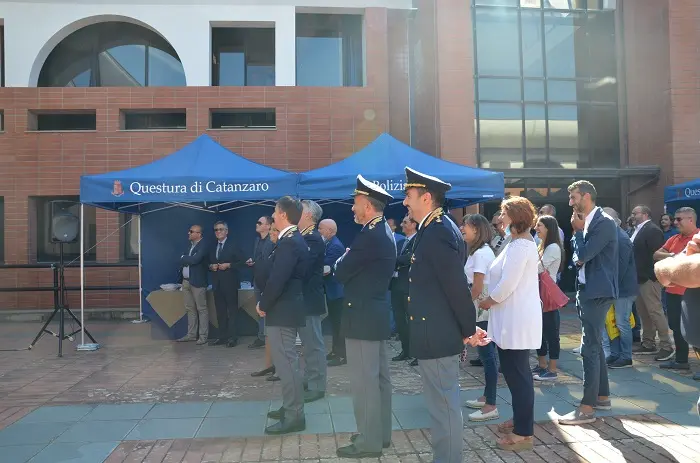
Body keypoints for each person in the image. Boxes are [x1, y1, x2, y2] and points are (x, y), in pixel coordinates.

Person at [403, 167, 484, 461]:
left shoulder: (437, 232)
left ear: (426, 197)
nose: (405, 202)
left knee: (444, 407)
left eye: (409, 196)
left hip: (437, 333)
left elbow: (455, 288)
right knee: (440, 406)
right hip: (433, 331)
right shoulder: (434, 229)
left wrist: (468, 329)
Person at [334, 175, 396, 459]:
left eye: (356, 203)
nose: (352, 209)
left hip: (362, 317)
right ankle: (380, 435)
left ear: (369, 207)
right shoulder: (381, 231)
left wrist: (342, 258)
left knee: (365, 383)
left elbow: (341, 270)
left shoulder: (370, 235)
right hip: (374, 315)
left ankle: (368, 442)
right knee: (379, 380)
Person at [478, 196, 540, 451]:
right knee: (515, 374)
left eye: (503, 213)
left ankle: (523, 433)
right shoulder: (516, 243)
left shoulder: (519, 247)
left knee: (518, 375)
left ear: (514, 216)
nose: (499, 218)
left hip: (516, 319)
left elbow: (506, 285)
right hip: (511, 318)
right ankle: (521, 419)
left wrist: (487, 301)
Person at [559, 180, 617, 426]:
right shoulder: (586, 222)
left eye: (573, 197)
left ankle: (586, 408)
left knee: (589, 347)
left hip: (597, 292)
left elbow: (582, 256)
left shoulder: (603, 223)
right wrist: (578, 234)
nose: (570, 202)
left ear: (586, 196)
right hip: (588, 290)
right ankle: (602, 396)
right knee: (593, 343)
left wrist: (579, 232)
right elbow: (578, 257)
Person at [257, 197, 309, 435]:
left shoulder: (289, 242)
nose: (273, 216)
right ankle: (291, 407)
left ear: (283, 215)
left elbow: (279, 278)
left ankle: (294, 415)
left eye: (275, 212)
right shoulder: (289, 239)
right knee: (287, 363)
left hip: (283, 309)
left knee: (286, 365)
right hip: (286, 308)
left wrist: (263, 303)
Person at [461, 213, 498, 422]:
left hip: (481, 309)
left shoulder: (481, 254)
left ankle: (491, 403)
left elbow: (477, 287)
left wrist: (464, 307)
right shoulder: (479, 252)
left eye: (465, 225)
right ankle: (487, 397)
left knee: (488, 356)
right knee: (487, 356)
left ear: (476, 229)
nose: (462, 228)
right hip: (480, 307)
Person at [653, 207, 699, 371]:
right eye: (675, 219)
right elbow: (656, 255)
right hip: (673, 292)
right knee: (676, 326)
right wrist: (674, 256)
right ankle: (681, 361)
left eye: (679, 219)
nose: (675, 222)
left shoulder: (698, 238)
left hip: (692, 293)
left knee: (695, 329)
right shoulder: (674, 238)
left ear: (691, 220)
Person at [630, 205, 674, 360]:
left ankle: (666, 345)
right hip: (638, 278)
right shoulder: (637, 230)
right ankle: (648, 343)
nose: (633, 216)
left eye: (635, 213)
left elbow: (657, 254)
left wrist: (651, 276)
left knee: (655, 311)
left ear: (646, 214)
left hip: (649, 278)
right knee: (644, 313)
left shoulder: (652, 230)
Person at [298, 200, 328, 403]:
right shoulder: (303, 237)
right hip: (303, 299)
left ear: (308, 215)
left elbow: (303, 268)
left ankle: (317, 385)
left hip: (310, 299)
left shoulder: (313, 239)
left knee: (314, 344)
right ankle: (310, 378)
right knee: (308, 344)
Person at [601, 207, 638, 369]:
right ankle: (616, 354)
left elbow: (621, 268)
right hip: (615, 287)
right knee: (612, 322)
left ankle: (626, 357)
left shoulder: (621, 238)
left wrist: (609, 287)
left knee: (622, 323)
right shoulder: (611, 236)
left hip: (622, 289)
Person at [533, 215, 564, 382]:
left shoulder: (552, 247)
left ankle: (552, 369)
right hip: (539, 293)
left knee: (551, 332)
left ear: (549, 228)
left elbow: (538, 268)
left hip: (547, 295)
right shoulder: (542, 245)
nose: (536, 228)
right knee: (540, 332)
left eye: (540, 226)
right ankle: (542, 365)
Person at [251, 226, 281, 382]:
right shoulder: (271, 248)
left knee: (278, 335)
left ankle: (280, 369)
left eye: (275, 232)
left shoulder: (281, 249)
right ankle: (269, 364)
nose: (272, 235)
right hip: (266, 291)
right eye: (271, 232)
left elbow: (276, 275)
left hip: (276, 297)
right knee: (269, 333)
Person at [209, 221, 245, 347]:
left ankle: (233, 337)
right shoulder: (213, 246)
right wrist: (211, 266)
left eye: (221, 229)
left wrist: (229, 265)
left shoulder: (233, 245)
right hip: (217, 283)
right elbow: (207, 262)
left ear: (226, 231)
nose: (218, 232)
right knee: (220, 311)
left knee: (232, 311)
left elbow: (242, 261)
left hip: (230, 282)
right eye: (216, 230)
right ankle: (222, 336)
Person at [318, 219, 346, 366]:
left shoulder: (335, 246)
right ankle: (336, 350)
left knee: (339, 324)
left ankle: (341, 354)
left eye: (321, 229)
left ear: (330, 230)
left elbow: (325, 266)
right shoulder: (329, 243)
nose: (319, 231)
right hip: (332, 291)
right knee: (335, 323)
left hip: (337, 292)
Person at [390, 214, 417, 364]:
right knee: (400, 321)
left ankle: (417, 352)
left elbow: (408, 259)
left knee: (413, 322)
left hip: (409, 287)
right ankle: (406, 350)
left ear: (413, 224)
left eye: (405, 222)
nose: (402, 224)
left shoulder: (417, 240)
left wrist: (397, 261)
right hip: (397, 286)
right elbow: (397, 260)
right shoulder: (402, 243)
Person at [178, 224, 209, 345]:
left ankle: (203, 336)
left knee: (202, 309)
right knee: (190, 308)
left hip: (197, 281)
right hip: (186, 281)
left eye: (191, 231)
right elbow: (185, 260)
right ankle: (191, 334)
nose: (189, 233)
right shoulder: (189, 247)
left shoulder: (203, 245)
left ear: (199, 234)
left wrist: (184, 258)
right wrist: (187, 258)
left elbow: (196, 260)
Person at [248, 216, 274, 349]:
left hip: (268, 281)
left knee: (268, 310)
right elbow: (259, 259)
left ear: (268, 226)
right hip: (257, 279)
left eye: (260, 222)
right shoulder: (257, 241)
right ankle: (261, 336)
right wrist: (252, 262)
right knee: (259, 310)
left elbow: (271, 263)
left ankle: (269, 337)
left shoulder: (273, 241)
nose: (257, 224)